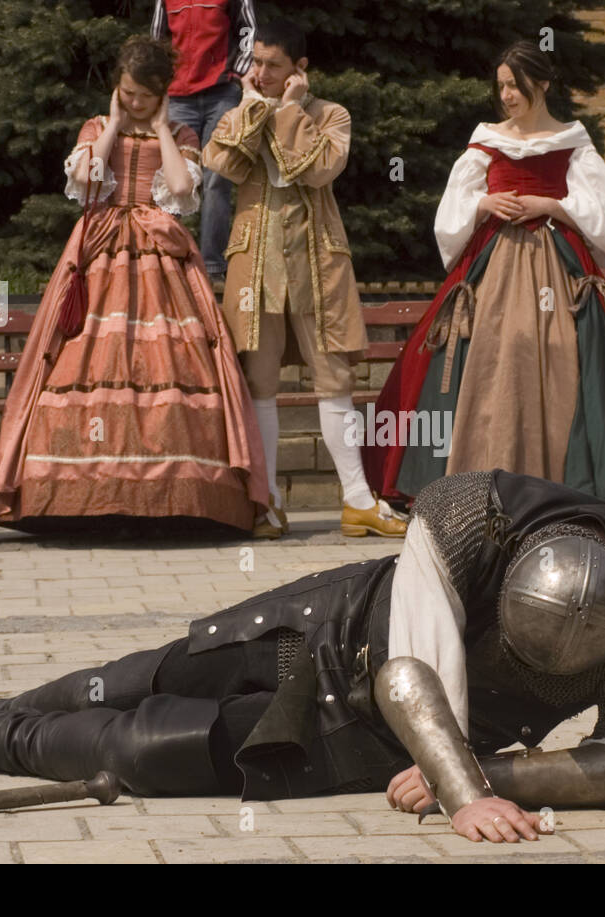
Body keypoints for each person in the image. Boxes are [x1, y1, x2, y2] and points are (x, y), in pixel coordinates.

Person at [0, 470, 605, 844]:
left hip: (371, 745)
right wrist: (463, 789)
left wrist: (502, 780)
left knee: (149, 747)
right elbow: (409, 670)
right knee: (152, 673)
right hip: (326, 631)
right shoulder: (475, 512)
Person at [365, 42, 605, 510]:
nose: (507, 95)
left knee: (560, 352)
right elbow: (449, 214)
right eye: (503, 86)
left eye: (516, 85)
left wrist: (553, 205)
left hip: (556, 262)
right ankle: (474, 487)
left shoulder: (570, 140)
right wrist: (483, 204)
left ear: (544, 84)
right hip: (492, 266)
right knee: (493, 352)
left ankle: (570, 485)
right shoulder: (487, 140)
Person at [0, 36, 269, 535]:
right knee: (84, 357)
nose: (136, 102)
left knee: (168, 362)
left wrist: (161, 128)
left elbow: (182, 193)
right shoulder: (98, 128)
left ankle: (166, 500)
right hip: (99, 251)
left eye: (145, 95)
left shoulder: (181, 133)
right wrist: (115, 124)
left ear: (163, 93)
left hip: (162, 256)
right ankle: (89, 498)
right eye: (128, 93)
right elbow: (86, 183)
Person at [203, 19, 407, 539]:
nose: (262, 73)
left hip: (317, 261)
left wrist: (290, 112)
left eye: (273, 64)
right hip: (257, 264)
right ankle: (267, 501)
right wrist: (255, 107)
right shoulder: (238, 113)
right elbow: (220, 162)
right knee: (259, 383)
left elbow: (316, 169)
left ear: (300, 69)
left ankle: (358, 502)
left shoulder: (330, 115)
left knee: (334, 377)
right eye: (256, 63)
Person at [150, 0, 257, 280]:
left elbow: (249, 30)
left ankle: (213, 266)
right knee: (173, 179)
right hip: (178, 97)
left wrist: (237, 72)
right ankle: (167, 262)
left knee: (216, 179)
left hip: (221, 93)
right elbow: (157, 40)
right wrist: (158, 84)